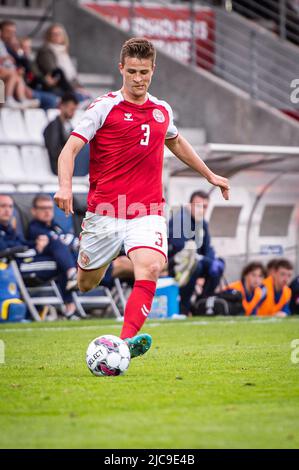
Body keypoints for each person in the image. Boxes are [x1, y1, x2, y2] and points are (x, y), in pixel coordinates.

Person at [54, 37, 230, 358]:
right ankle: (116, 264)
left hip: (146, 211)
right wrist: (65, 186)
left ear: (153, 70)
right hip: (105, 212)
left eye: (144, 72)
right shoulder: (103, 107)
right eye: (132, 71)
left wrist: (210, 175)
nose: (138, 78)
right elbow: (70, 149)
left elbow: (175, 142)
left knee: (150, 268)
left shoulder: (162, 110)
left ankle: (122, 344)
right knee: (86, 284)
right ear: (121, 68)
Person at [0, 194, 79, 320]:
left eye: (10, 206)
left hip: (25, 262)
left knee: (61, 254)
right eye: (3, 206)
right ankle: (70, 302)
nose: (7, 210)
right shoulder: (34, 227)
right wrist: (36, 247)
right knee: (60, 259)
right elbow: (8, 250)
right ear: (34, 211)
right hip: (14, 268)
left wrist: (35, 243)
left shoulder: (9, 228)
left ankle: (70, 300)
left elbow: (22, 244)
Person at [168, 190, 225, 314]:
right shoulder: (180, 219)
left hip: (195, 262)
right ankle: (184, 307)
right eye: (198, 206)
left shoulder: (202, 223)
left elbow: (207, 248)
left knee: (218, 264)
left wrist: (212, 261)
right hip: (175, 265)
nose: (202, 210)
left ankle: (201, 304)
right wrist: (206, 261)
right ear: (190, 205)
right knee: (195, 265)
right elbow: (181, 249)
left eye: (205, 207)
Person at [43, 93, 89, 175]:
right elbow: (54, 150)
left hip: (71, 162)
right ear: (62, 106)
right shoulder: (53, 126)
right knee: (87, 147)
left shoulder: (68, 126)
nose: (73, 113)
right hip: (61, 166)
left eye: (74, 110)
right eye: (71, 109)